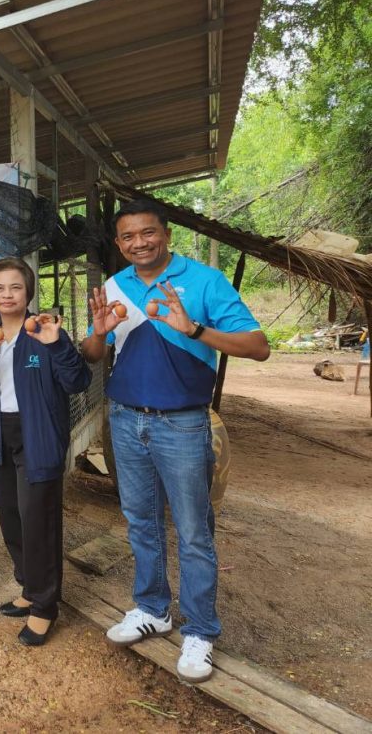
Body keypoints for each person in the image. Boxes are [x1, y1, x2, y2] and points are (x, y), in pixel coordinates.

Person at [82, 198, 269, 682]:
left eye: (147, 233)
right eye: (128, 237)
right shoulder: (114, 284)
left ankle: (201, 630)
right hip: (125, 419)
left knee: (192, 530)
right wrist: (99, 335)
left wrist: (194, 329)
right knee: (140, 521)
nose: (138, 243)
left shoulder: (205, 280)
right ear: (119, 243)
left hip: (183, 423)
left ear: (165, 234)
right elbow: (90, 352)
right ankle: (152, 609)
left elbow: (258, 346)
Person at [0, 258, 91, 646]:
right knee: (11, 517)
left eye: (15, 287)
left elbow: (78, 381)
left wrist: (59, 347)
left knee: (38, 520)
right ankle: (28, 586)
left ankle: (44, 606)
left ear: (28, 292)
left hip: (38, 435)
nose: (7, 295)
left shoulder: (45, 331)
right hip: (1, 435)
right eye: (0, 288)